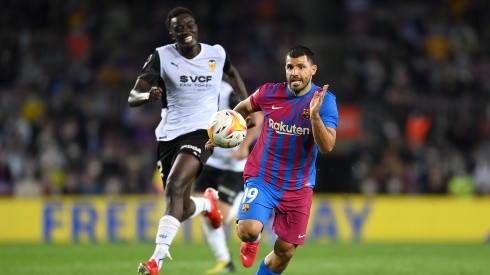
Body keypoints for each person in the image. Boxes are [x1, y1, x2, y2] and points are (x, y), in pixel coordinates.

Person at [128, 7, 250, 275]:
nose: (186, 30)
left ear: (196, 27)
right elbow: (133, 96)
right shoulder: (162, 56)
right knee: (179, 208)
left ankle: (155, 261)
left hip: (202, 133)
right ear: (171, 33)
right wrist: (146, 97)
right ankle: (207, 204)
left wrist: (246, 106)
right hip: (168, 135)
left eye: (189, 25)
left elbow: (232, 73)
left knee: (172, 186)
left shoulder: (216, 53)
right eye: (178, 27)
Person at [209, 45, 339, 274]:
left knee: (286, 250)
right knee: (247, 230)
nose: (295, 72)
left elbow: (327, 146)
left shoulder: (325, 101)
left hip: (299, 186)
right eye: (290, 67)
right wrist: (225, 132)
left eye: (301, 67)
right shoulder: (268, 92)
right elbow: (243, 108)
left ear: (313, 69)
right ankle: (252, 240)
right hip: (263, 176)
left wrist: (315, 116)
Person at [193, 80, 263, 274]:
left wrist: (244, 146)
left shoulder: (227, 93)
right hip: (210, 161)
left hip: (233, 165)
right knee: (206, 212)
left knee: (219, 216)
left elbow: (257, 114)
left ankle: (242, 198)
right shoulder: (194, 92)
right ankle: (225, 261)